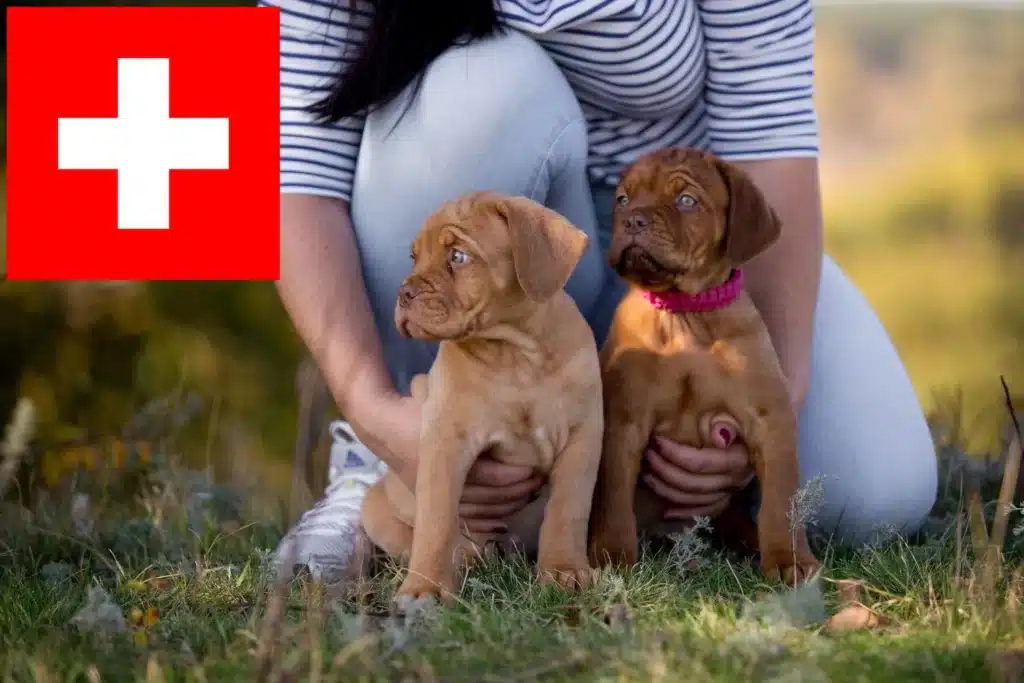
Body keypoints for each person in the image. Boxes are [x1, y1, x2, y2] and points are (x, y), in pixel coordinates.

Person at [266, 0, 939, 580]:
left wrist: (776, 388)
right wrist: (373, 407)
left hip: (680, 277)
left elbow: (770, 130)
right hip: (478, 262)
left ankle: (625, 488)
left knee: (878, 489)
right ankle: (382, 463)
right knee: (486, 90)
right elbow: (289, 171)